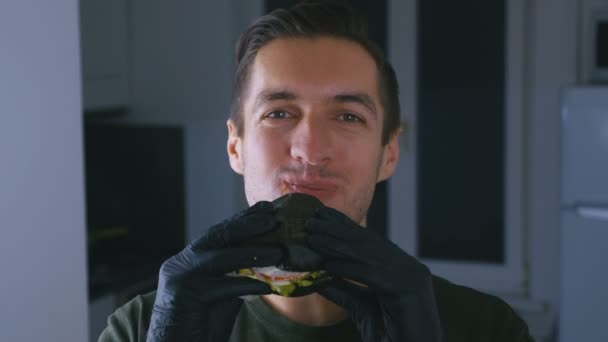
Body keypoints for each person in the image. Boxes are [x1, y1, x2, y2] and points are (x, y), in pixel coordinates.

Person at [99, 1, 533, 341]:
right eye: (279, 112)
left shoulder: (489, 329)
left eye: (347, 117)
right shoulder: (142, 327)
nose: (310, 150)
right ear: (236, 146)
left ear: (389, 153)